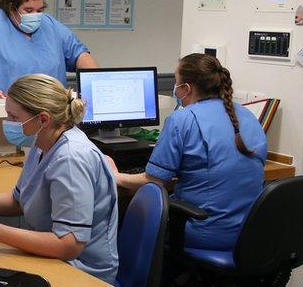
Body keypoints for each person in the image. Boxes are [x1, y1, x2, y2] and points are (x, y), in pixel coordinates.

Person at [0, 73, 119, 283]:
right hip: (55, 259)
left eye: (13, 117)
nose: (7, 123)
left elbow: (69, 245)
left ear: (43, 119)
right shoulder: (42, 143)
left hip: (83, 273)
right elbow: (19, 200)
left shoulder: (71, 159)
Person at [110, 54, 267, 253]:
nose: (175, 89)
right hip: (249, 232)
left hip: (205, 231)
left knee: (128, 220)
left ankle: (130, 283)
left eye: (176, 83)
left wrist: (115, 176)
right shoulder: (245, 114)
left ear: (186, 89)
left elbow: (155, 182)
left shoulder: (182, 119)